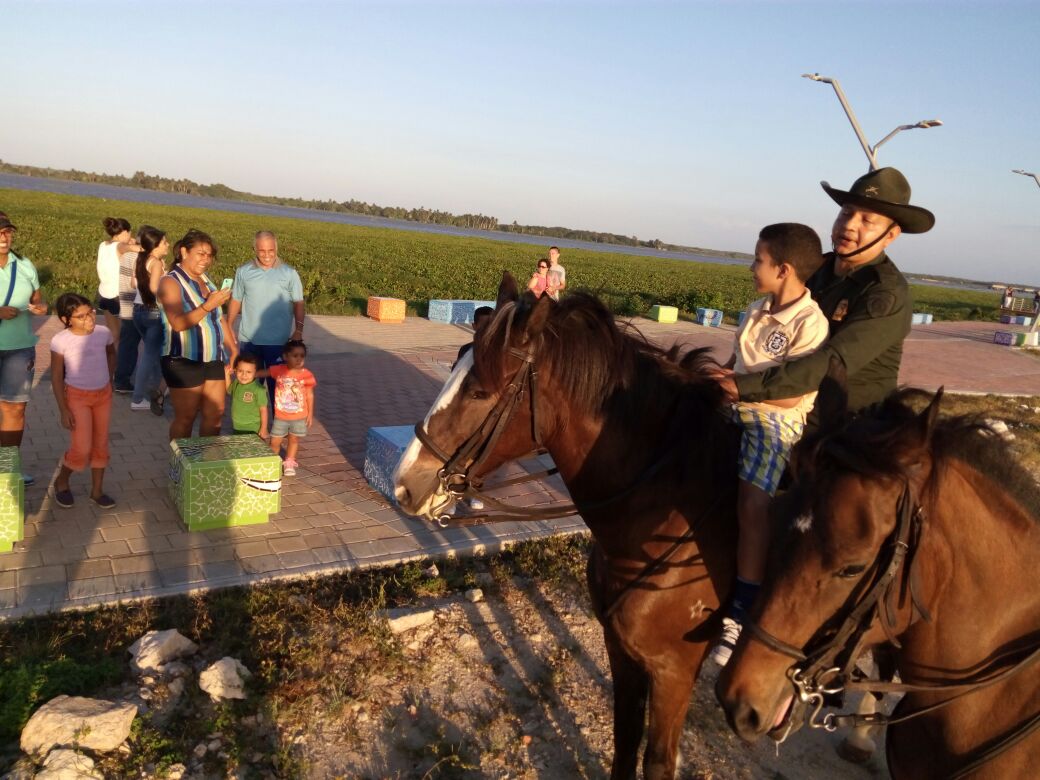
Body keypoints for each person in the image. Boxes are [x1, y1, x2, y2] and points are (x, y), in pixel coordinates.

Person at [716, 167, 935, 416]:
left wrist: (741, 385)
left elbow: (834, 360)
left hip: (847, 422)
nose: (849, 226)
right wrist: (726, 372)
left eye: (867, 221)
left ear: (890, 235)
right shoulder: (815, 270)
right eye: (846, 213)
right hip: (778, 402)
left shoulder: (885, 293)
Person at [709, 223, 829, 666]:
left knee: (752, 501)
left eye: (758, 259)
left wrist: (735, 386)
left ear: (784, 269)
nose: (751, 266)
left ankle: (740, 611)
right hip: (735, 401)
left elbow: (791, 394)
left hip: (775, 418)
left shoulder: (810, 324)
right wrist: (717, 380)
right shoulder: (756, 309)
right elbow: (735, 363)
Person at [158, 229, 237, 441]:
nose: (206, 259)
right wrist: (207, 305)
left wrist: (234, 348)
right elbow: (177, 323)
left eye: (209, 255)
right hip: (183, 359)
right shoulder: (170, 282)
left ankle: (205, 463)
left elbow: (219, 317)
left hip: (213, 357)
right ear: (184, 252)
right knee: (186, 417)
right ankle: (180, 465)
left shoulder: (205, 280)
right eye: (200, 253)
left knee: (215, 414)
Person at [49, 293, 116, 509]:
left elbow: (111, 354)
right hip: (77, 397)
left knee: (101, 444)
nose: (89, 319)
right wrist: (63, 409)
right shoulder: (61, 341)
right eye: (80, 316)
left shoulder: (103, 333)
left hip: (103, 395)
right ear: (65, 320)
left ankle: (97, 491)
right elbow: (57, 376)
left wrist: (110, 377)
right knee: (82, 448)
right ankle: (62, 479)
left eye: (91, 312)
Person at [226, 231, 305, 406]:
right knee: (248, 389)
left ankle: (279, 429)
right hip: (249, 341)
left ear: (276, 248)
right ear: (254, 249)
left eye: (271, 250)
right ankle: (249, 428)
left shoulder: (289, 273)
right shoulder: (243, 271)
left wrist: (298, 329)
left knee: (279, 390)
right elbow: (236, 299)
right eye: (262, 251)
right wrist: (228, 326)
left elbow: (298, 302)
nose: (267, 255)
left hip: (278, 342)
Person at [0, 212, 49, 485]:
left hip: (19, 349)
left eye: (7, 231)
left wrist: (41, 308)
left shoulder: (24, 265)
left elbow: (38, 300)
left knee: (14, 410)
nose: (4, 237)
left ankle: (7, 468)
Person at [130, 226, 170, 415]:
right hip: (153, 311)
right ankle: (138, 398)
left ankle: (157, 387)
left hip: (137, 310)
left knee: (152, 352)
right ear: (155, 245)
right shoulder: (156, 262)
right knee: (149, 355)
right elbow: (155, 288)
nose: (167, 245)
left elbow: (133, 284)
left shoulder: (141, 259)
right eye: (164, 242)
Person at [268, 340, 316, 477]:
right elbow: (264, 372)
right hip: (281, 416)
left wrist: (310, 414)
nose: (299, 359)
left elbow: (310, 395)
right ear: (285, 357)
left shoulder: (307, 375)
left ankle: (289, 462)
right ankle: (272, 462)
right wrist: (249, 373)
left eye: (302, 356)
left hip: (299, 416)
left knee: (294, 439)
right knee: (275, 441)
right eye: (295, 355)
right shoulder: (279, 370)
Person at [96, 217, 140, 353]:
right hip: (118, 297)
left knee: (113, 335)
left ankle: (109, 365)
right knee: (126, 336)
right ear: (125, 232)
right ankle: (119, 367)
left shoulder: (103, 245)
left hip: (103, 294)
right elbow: (139, 249)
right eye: (130, 233)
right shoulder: (120, 246)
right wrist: (135, 243)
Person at [225, 353, 269, 438]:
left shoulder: (259, 389)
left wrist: (263, 428)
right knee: (240, 449)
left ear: (255, 373)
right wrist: (227, 376)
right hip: (237, 426)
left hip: (253, 427)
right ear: (235, 370)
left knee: (251, 450)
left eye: (249, 372)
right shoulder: (236, 383)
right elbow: (229, 390)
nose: (244, 375)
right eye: (240, 371)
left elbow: (263, 410)